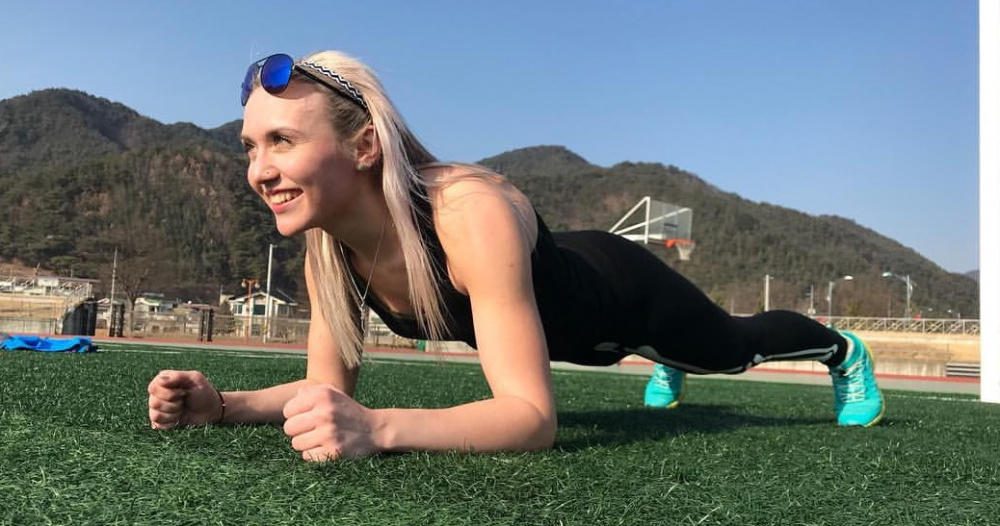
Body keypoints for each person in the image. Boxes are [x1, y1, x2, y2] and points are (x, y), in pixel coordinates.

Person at [147, 51, 885, 461]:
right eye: (251, 147)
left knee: (730, 349)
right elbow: (323, 389)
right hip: (561, 306)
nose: (259, 171)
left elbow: (531, 418)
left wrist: (378, 428)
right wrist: (225, 407)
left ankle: (839, 351)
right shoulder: (326, 248)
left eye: (282, 141)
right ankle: (673, 362)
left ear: (365, 146)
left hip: (620, 297)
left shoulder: (469, 213)